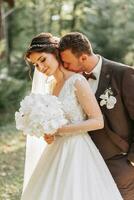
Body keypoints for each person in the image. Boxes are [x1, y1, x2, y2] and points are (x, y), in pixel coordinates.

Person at [21, 32, 123, 200]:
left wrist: (60, 130)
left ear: (54, 53)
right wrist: (48, 133)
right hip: (56, 151)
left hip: (78, 150)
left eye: (42, 60)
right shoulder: (52, 86)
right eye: (36, 65)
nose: (40, 67)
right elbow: (56, 123)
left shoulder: (77, 81)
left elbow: (98, 121)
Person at [57, 31, 134, 200]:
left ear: (83, 57)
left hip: (118, 161)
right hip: (85, 158)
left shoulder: (123, 74)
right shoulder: (74, 80)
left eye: (67, 62)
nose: (65, 66)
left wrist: (131, 159)